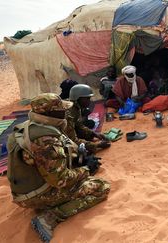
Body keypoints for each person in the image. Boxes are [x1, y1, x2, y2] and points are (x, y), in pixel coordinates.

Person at [6, 93, 110, 242]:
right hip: (36, 195)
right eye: (61, 110)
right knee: (100, 186)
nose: (65, 112)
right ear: (50, 113)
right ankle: (49, 217)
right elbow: (61, 180)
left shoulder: (28, 127)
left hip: (25, 190)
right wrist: (86, 169)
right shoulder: (46, 140)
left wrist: (81, 157)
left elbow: (62, 151)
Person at [65, 84, 110, 153]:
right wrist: (96, 145)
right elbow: (72, 140)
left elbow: (79, 125)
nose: (89, 101)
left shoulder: (76, 107)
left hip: (70, 131)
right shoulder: (68, 114)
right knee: (76, 152)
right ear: (78, 98)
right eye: (87, 98)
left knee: (87, 133)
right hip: (63, 137)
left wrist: (94, 133)